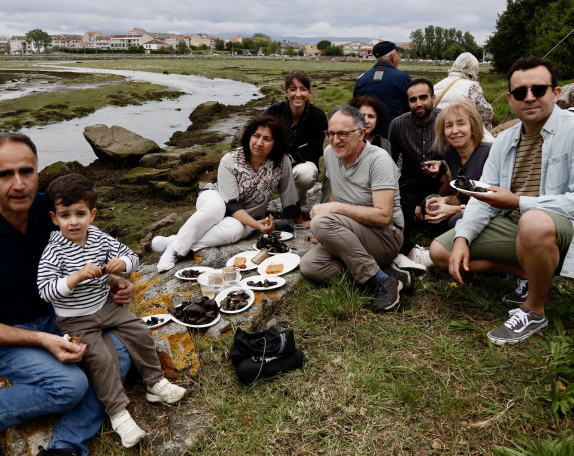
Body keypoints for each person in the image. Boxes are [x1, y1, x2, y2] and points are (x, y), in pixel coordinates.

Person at [0, 133, 138, 456]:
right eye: (5, 174)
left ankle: (66, 447)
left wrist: (113, 279)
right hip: (1, 335)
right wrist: (43, 340)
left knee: (119, 354)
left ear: (37, 170)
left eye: (26, 171)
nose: (20, 185)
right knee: (70, 386)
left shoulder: (52, 212)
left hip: (56, 316)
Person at [429, 56, 574, 345]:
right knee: (440, 251)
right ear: (510, 99)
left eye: (538, 90)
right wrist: (462, 237)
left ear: (556, 93)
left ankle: (534, 309)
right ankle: (530, 272)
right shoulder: (505, 140)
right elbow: (484, 195)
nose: (529, 97)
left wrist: (518, 203)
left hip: (561, 229)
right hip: (514, 226)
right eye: (520, 93)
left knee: (533, 221)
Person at [37, 173, 186, 449]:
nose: (73, 221)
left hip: (106, 306)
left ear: (92, 214)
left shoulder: (98, 237)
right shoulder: (54, 250)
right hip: (75, 320)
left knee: (140, 330)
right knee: (100, 357)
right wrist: (76, 277)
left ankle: (155, 383)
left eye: (80, 214)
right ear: (54, 218)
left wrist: (122, 264)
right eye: (65, 215)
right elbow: (45, 290)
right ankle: (118, 414)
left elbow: (133, 257)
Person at [153, 115, 304, 272]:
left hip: (248, 215)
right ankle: (174, 251)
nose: (259, 143)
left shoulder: (282, 162)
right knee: (215, 208)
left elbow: (289, 194)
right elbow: (232, 205)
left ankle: (174, 242)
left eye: (267, 139)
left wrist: (300, 224)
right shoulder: (230, 160)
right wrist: (256, 225)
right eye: (256, 136)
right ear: (249, 136)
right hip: (216, 197)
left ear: (275, 143)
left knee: (235, 231)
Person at [299, 105, 410, 313]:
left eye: (343, 133)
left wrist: (331, 215)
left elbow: (384, 217)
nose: (335, 140)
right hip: (353, 235)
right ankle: (384, 272)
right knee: (310, 266)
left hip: (386, 237)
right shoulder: (330, 154)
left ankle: (382, 282)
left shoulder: (379, 160)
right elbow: (334, 194)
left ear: (361, 133)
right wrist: (329, 234)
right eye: (330, 133)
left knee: (321, 221)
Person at [404, 100, 492, 269]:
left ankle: (470, 259)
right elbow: (462, 193)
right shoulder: (450, 153)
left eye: (461, 124)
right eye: (449, 126)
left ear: (473, 126)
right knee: (430, 202)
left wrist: (455, 210)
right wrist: (445, 201)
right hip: (467, 205)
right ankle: (445, 246)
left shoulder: (488, 153)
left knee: (456, 221)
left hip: (487, 213)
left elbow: (491, 204)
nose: (455, 131)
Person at [388, 79, 444, 273]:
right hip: (409, 184)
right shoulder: (398, 125)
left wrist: (442, 165)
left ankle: (439, 249)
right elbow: (390, 162)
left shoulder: (445, 120)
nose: (418, 103)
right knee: (398, 221)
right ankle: (405, 252)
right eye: (413, 99)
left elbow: (458, 158)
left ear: (433, 98)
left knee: (440, 226)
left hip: (441, 185)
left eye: (423, 97)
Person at [264, 70, 328, 212]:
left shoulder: (318, 116)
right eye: (293, 89)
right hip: (273, 162)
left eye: (303, 89)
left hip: (300, 164)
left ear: (309, 92)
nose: (298, 94)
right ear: (286, 92)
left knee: (307, 175)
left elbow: (316, 150)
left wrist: (291, 158)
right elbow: (259, 136)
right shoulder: (273, 112)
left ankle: (300, 196)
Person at [353, 41, 412, 137]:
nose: (399, 58)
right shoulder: (403, 78)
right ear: (392, 56)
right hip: (394, 136)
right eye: (398, 55)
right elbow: (409, 109)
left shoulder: (362, 78)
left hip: (366, 137)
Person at [433, 52, 495, 134]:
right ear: (474, 69)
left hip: (438, 132)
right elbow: (485, 114)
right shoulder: (472, 86)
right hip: (459, 133)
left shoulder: (436, 86)